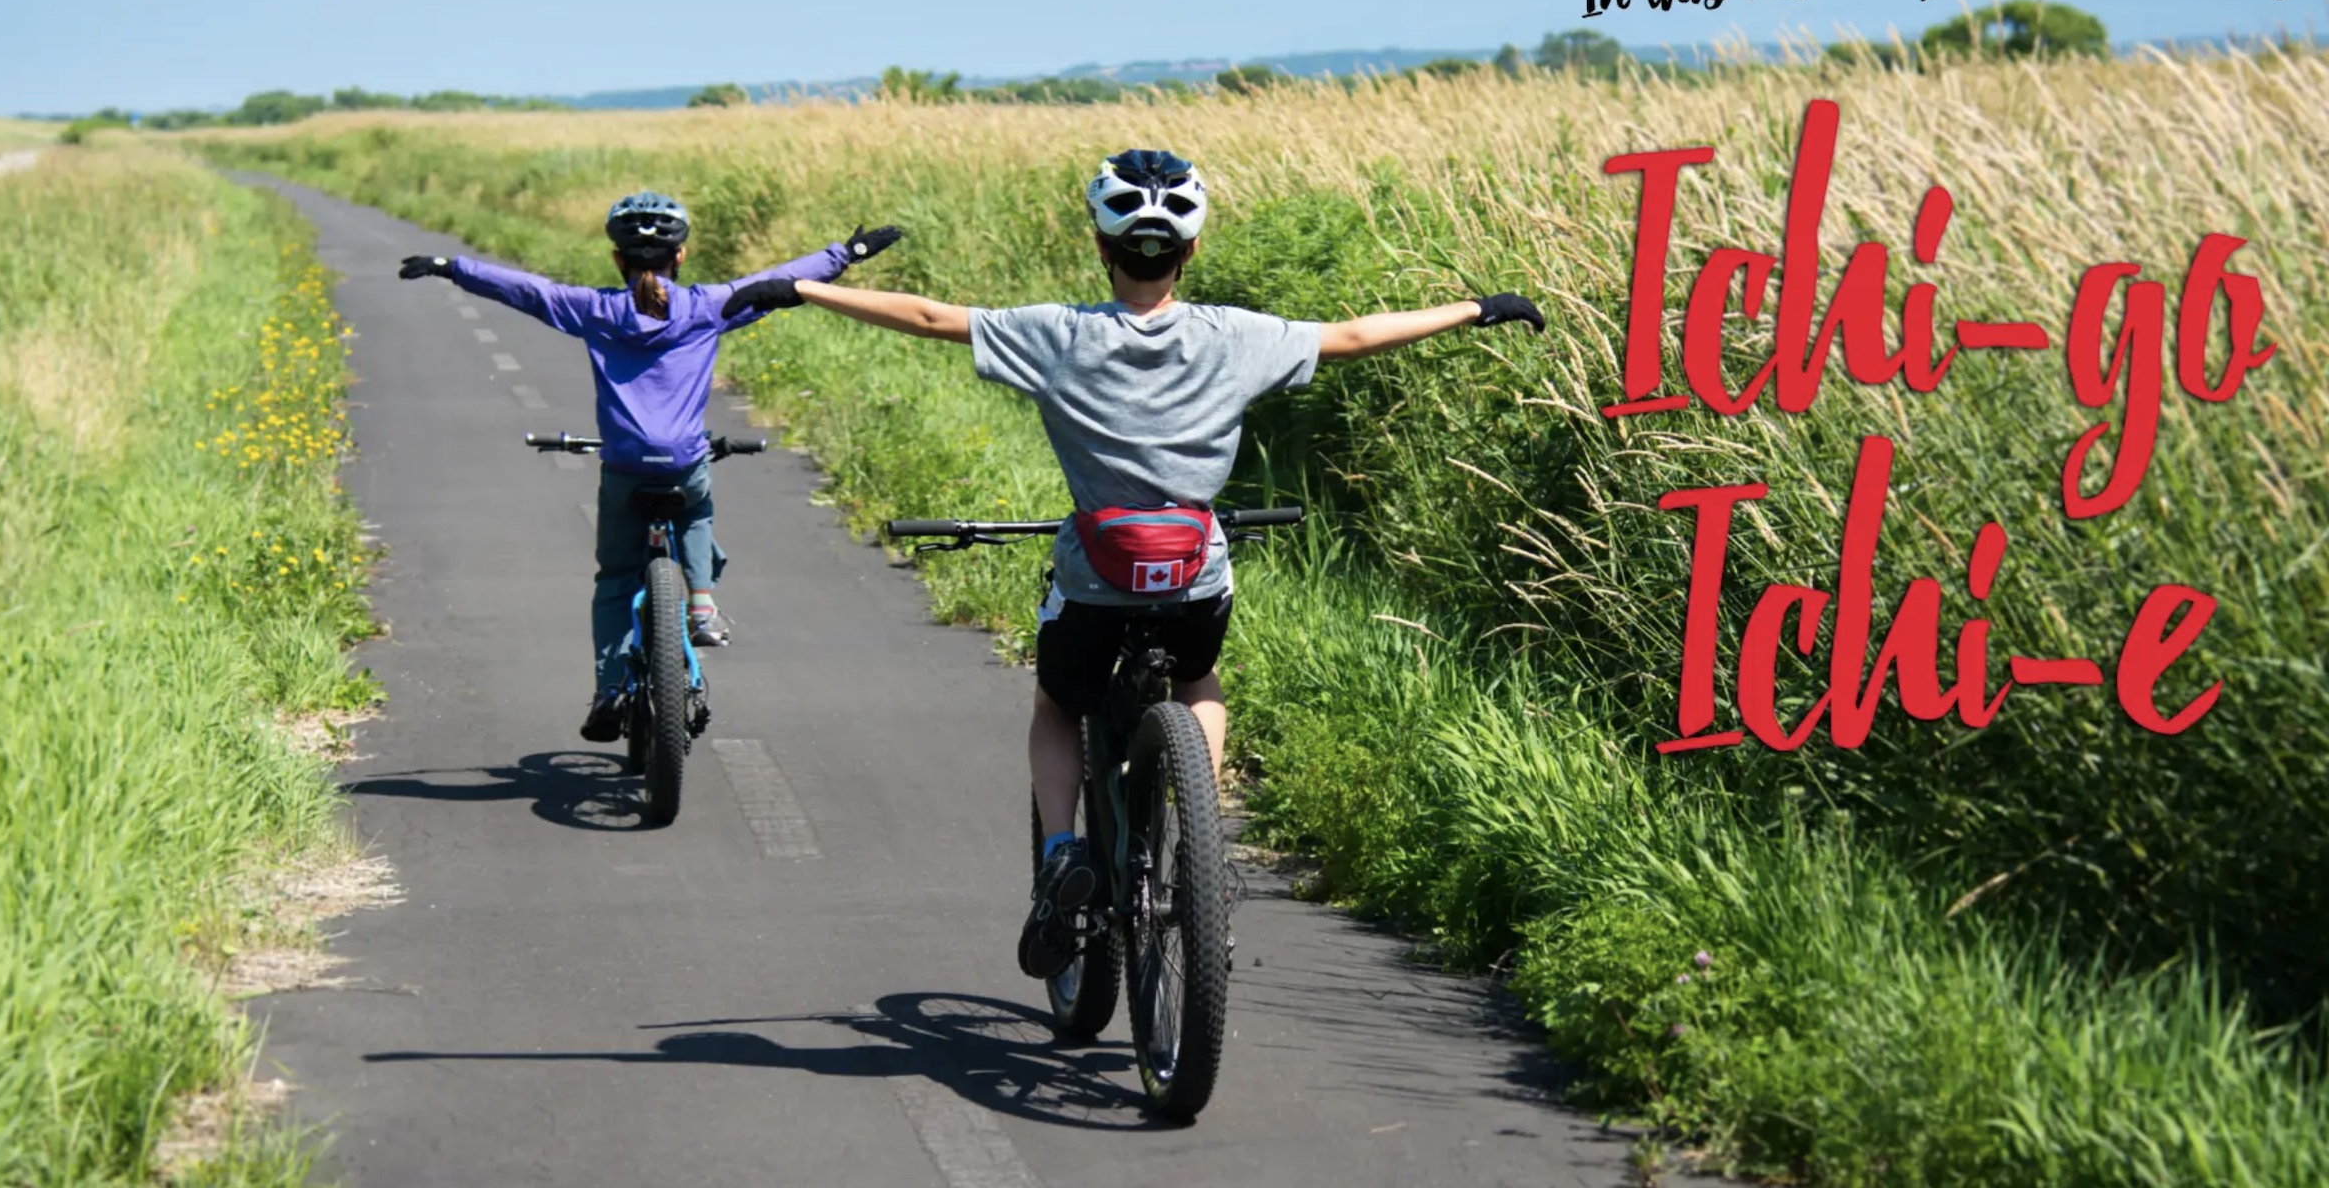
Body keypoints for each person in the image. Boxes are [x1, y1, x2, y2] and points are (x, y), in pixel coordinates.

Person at [719, 149, 1543, 977]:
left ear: (1102, 248)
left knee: (1055, 704)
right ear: (1188, 252)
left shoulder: (1057, 335)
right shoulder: (1239, 336)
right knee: (1199, 683)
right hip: (1193, 573)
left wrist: (803, 287)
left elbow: (932, 317)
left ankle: (1064, 852)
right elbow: (1356, 337)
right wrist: (1477, 309)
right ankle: (1202, 838)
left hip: (1096, 574)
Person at [401, 191, 903, 741]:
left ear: (618, 259)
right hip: (684, 461)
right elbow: (781, 282)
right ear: (680, 256)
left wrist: (453, 268)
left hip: (624, 464)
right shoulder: (709, 306)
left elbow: (528, 292)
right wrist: (847, 252)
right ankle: (703, 607)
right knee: (696, 506)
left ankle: (609, 690)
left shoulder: (594, 309)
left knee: (616, 579)